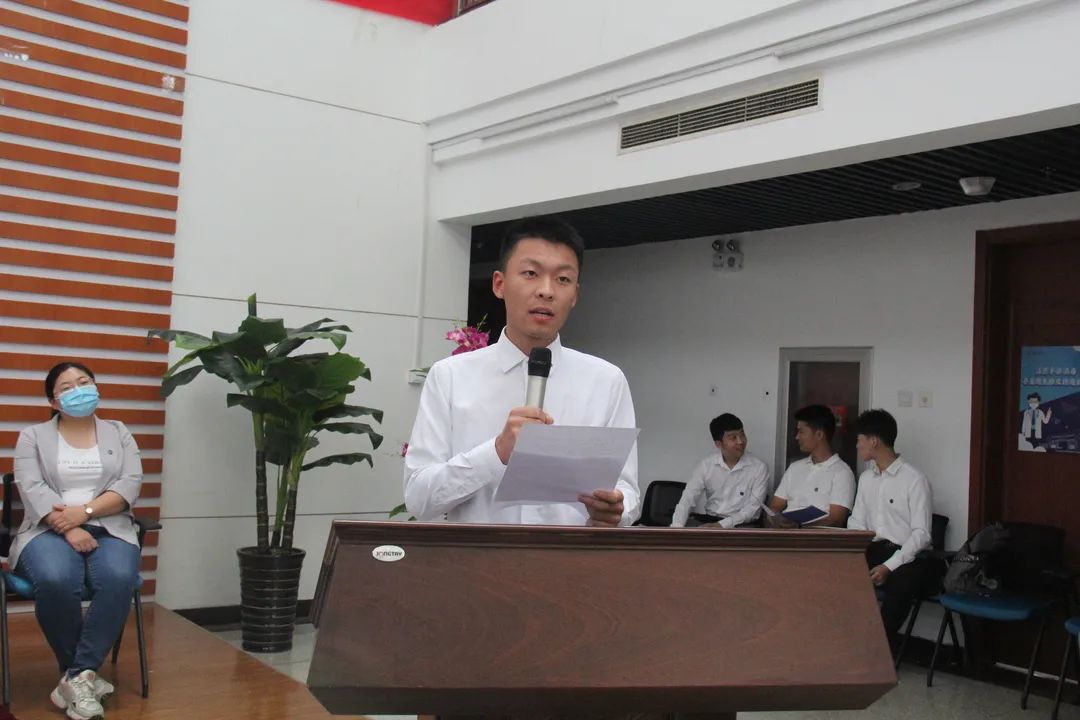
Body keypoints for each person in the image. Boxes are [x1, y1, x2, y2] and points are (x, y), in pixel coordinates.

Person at [405, 216, 639, 526]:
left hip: (570, 555)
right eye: (531, 273)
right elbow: (418, 498)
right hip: (479, 555)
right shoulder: (450, 376)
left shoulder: (606, 381)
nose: (547, 291)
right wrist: (496, 452)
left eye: (563, 279)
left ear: (574, 295)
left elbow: (628, 491)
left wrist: (617, 508)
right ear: (499, 284)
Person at [11, 362, 143, 720]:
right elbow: (32, 488)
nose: (79, 390)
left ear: (96, 387)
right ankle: (82, 676)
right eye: (67, 387)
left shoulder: (118, 431)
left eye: (84, 382)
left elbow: (129, 484)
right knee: (56, 578)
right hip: (46, 528)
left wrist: (83, 514)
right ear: (54, 401)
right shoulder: (33, 436)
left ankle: (75, 677)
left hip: (110, 526)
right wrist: (68, 527)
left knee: (119, 577)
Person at [849, 409, 942, 649]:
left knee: (901, 584)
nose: (857, 446)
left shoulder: (914, 480)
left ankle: (877, 650)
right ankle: (841, 643)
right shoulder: (866, 479)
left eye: (860, 440)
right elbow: (857, 521)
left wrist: (888, 566)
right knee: (836, 573)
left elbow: (921, 534)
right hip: (874, 548)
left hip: (908, 555)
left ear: (873, 441)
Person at [670, 414, 770, 528]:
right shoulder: (706, 465)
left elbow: (753, 509)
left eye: (742, 434)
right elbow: (687, 499)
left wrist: (721, 525)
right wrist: (677, 527)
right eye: (733, 437)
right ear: (719, 444)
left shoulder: (759, 468)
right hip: (710, 520)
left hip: (742, 525)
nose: (740, 441)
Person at [766, 404, 854, 528]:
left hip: (818, 538)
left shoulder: (842, 472)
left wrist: (799, 528)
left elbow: (836, 520)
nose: (797, 437)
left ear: (819, 435)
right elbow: (775, 506)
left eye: (801, 432)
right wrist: (776, 519)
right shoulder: (794, 468)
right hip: (786, 534)